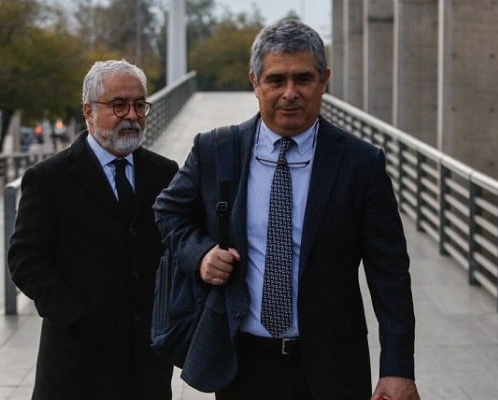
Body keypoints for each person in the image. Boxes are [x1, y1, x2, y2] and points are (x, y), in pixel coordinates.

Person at [153, 20, 421, 400]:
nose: (290, 93)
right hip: (243, 367)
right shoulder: (217, 150)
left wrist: (397, 368)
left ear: (324, 80)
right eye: (276, 80)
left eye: (303, 79)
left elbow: (389, 273)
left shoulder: (361, 164)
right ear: (255, 82)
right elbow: (168, 212)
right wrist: (200, 255)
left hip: (333, 369)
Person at [8, 59, 178, 399]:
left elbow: (177, 247)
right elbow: (25, 259)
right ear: (89, 110)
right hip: (75, 364)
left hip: (147, 367)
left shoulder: (165, 173)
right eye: (119, 105)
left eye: (139, 105)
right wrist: (75, 317)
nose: (132, 115)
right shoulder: (48, 179)